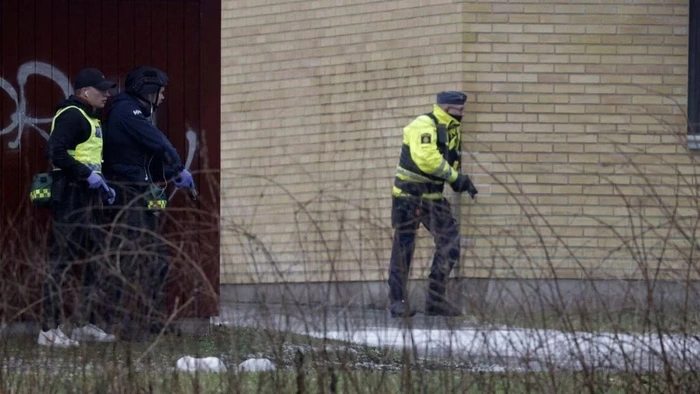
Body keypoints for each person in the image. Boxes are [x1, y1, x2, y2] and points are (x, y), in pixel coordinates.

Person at [103, 65, 195, 340]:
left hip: (139, 190)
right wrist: (178, 166)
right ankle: (126, 325)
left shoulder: (134, 113)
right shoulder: (125, 110)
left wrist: (168, 174)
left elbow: (141, 161)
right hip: (127, 193)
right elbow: (157, 142)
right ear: (148, 91)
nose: (163, 97)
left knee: (156, 259)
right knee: (134, 259)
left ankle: (152, 320)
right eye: (161, 92)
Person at [39, 68, 117, 347]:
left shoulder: (89, 117)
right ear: (85, 92)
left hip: (88, 198)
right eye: (102, 90)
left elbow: (87, 157)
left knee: (94, 262)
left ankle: (85, 323)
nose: (107, 94)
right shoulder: (73, 115)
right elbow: (55, 151)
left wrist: (102, 184)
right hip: (71, 198)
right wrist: (87, 176)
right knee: (60, 263)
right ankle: (48, 331)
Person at [387, 91, 478, 318]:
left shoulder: (451, 130)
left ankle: (435, 301)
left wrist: (459, 180)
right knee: (404, 248)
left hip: (433, 197)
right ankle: (397, 302)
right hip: (408, 196)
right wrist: (455, 178)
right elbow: (426, 159)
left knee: (450, 243)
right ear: (447, 109)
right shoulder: (423, 124)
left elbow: (449, 160)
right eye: (460, 110)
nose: (463, 114)